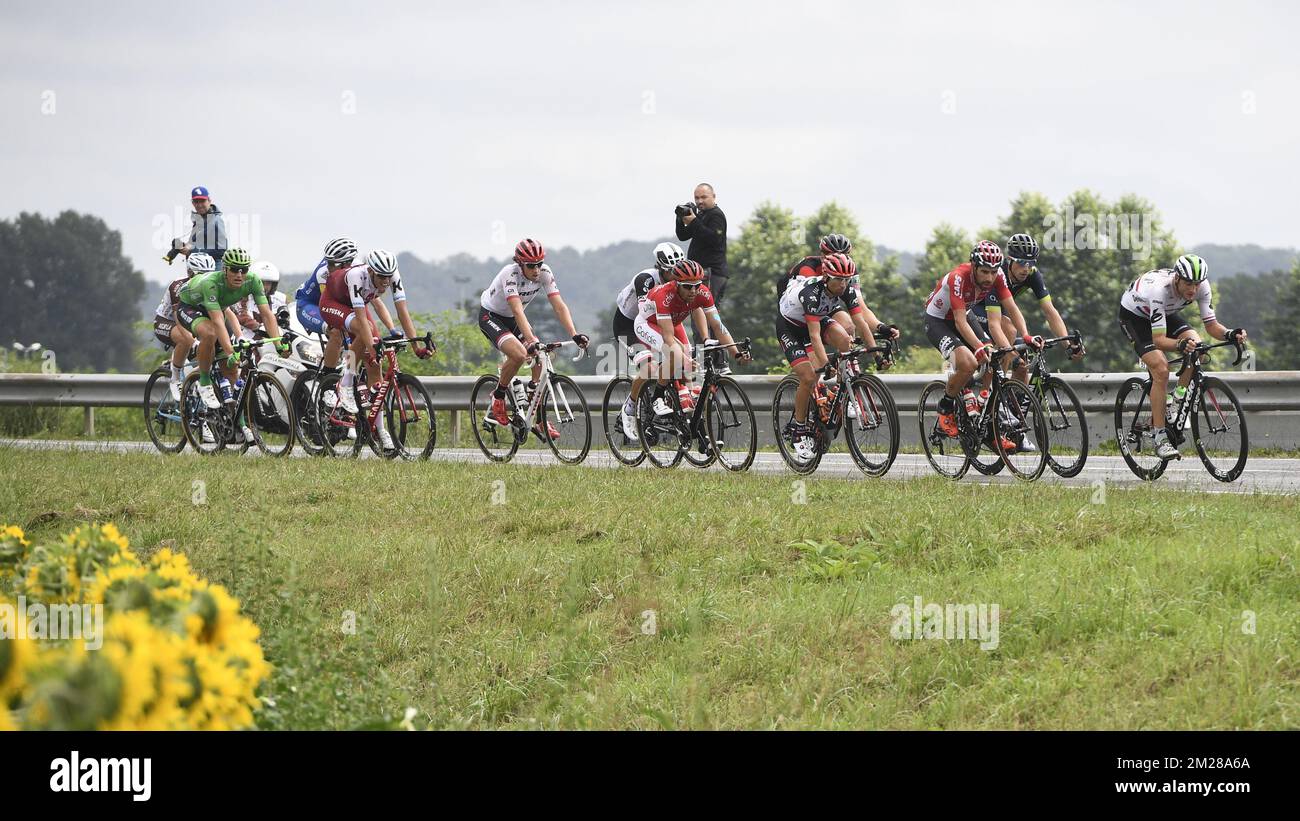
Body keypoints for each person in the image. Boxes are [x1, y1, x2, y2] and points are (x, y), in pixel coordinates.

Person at [1117, 254, 1247, 460]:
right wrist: (1179, 345)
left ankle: (1175, 399)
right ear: (1177, 278)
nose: (1193, 290)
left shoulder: (1202, 287)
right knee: (1161, 370)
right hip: (1135, 317)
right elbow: (1159, 340)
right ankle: (1160, 438)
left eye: (1197, 284)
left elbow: (1211, 326)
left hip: (1165, 313)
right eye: (1188, 283)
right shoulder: (1159, 290)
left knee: (1199, 350)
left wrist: (1230, 333)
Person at [775, 253, 897, 460]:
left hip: (816, 319)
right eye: (838, 280)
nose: (843, 285)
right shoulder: (811, 292)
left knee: (844, 338)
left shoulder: (846, 289)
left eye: (846, 279)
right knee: (809, 377)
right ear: (826, 278)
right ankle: (799, 428)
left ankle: (844, 389)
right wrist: (824, 365)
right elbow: (813, 335)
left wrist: (876, 354)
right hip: (792, 327)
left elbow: (860, 322)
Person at [923, 241, 1043, 448]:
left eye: (993, 272)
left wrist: (1026, 335)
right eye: (984, 272)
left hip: (965, 318)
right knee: (969, 362)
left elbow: (1012, 308)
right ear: (974, 266)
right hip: (939, 321)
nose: (989, 278)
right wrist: (979, 346)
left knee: (993, 358)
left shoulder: (999, 277)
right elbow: (959, 322)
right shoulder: (958, 278)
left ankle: (986, 424)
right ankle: (946, 406)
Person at [478, 239, 588, 439]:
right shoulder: (509, 274)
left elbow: (559, 306)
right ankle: (498, 397)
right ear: (520, 264)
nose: (536, 269)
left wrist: (574, 333)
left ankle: (536, 416)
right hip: (492, 316)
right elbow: (517, 310)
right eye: (531, 265)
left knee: (541, 358)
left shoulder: (545, 273)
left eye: (539, 263)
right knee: (520, 355)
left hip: (513, 319)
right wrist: (530, 341)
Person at [625, 259, 750, 435]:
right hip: (648, 323)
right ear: (676, 283)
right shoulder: (665, 295)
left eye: (696, 285)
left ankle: (685, 412)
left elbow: (718, 326)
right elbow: (668, 338)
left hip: (672, 320)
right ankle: (658, 396)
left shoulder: (702, 293)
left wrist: (736, 354)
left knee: (688, 356)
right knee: (676, 355)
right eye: (687, 287)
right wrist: (684, 361)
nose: (693, 291)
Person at [319, 250, 434, 437]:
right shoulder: (357, 276)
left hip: (356, 307)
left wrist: (416, 347)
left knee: (376, 365)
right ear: (371, 271)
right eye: (381, 277)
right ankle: (345, 382)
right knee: (364, 334)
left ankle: (379, 430)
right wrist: (373, 349)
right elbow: (362, 321)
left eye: (388, 277)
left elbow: (402, 312)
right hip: (332, 303)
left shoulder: (392, 275)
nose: (385, 282)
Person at [175, 248, 290, 415]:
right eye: (235, 269)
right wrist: (230, 352)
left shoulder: (253, 281)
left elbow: (267, 314)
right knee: (210, 333)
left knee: (231, 367)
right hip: (190, 306)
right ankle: (205, 382)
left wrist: (278, 344)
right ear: (225, 269)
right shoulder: (212, 283)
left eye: (244, 270)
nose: (239, 274)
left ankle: (241, 425)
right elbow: (218, 321)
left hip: (217, 308)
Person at [973, 233, 1084, 382]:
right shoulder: (997, 273)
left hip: (1000, 310)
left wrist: (1067, 346)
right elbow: (996, 324)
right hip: (977, 308)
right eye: (1021, 262)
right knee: (1010, 330)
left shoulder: (1032, 274)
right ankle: (997, 387)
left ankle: (1017, 400)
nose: (1026, 268)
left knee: (1022, 364)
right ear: (1010, 259)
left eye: (1031, 262)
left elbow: (1050, 312)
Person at [151, 252, 240, 401]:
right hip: (168, 321)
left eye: (207, 274)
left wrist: (238, 337)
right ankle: (175, 377)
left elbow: (227, 312)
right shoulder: (179, 286)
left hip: (193, 319)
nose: (203, 278)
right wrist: (194, 342)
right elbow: (179, 319)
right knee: (185, 340)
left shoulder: (213, 284)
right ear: (189, 272)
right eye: (199, 274)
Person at [295, 237, 358, 378]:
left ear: (346, 264)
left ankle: (349, 377)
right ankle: (326, 379)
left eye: (331, 263)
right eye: (327, 261)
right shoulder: (323, 273)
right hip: (309, 306)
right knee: (336, 331)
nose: (327, 266)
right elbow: (329, 307)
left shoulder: (358, 271)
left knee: (359, 335)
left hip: (329, 305)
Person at [674, 183, 728, 304]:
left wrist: (693, 221)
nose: (700, 201)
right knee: (697, 309)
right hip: (702, 272)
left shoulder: (716, 215)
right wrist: (680, 219)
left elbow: (715, 239)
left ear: (713, 196)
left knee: (708, 310)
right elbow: (683, 236)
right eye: (697, 198)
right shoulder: (702, 215)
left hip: (712, 271)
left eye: (703, 197)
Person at [165, 186, 228, 269]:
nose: (199, 205)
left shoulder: (216, 220)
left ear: (209, 201)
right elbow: (196, 244)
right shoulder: (199, 221)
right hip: (199, 269)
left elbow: (222, 250)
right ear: (192, 203)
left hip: (214, 268)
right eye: (196, 202)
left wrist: (191, 251)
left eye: (202, 201)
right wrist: (182, 246)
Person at [237, 261, 287, 341]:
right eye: (261, 283)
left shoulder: (280, 298)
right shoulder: (243, 297)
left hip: (274, 339)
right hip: (248, 340)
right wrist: (258, 327)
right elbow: (241, 315)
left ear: (273, 285)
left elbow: (285, 318)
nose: (264, 287)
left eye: (268, 283)